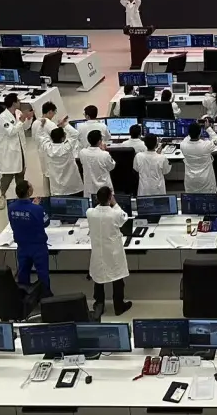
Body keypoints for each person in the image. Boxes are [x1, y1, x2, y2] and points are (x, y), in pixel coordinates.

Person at [86, 186, 132, 317]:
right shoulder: (115, 213)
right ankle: (119, 306)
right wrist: (115, 203)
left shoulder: (90, 213)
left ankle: (99, 304)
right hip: (113, 252)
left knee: (98, 279)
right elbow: (124, 217)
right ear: (110, 198)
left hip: (98, 252)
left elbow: (97, 211)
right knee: (117, 279)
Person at [8, 180, 51, 295]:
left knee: (23, 272)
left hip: (22, 246)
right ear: (29, 192)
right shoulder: (37, 209)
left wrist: (33, 206)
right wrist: (36, 207)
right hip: (38, 247)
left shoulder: (11, 207)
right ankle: (45, 295)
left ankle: (24, 295)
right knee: (42, 273)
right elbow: (46, 222)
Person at [0, 94, 33, 210]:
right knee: (7, 176)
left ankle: (21, 197)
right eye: (18, 100)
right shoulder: (3, 117)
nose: (20, 102)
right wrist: (21, 121)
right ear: (13, 103)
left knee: (20, 174)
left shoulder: (18, 112)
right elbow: (11, 132)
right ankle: (2, 196)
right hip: (9, 151)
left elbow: (25, 127)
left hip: (20, 149)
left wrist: (28, 118)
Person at [45, 127, 84, 197]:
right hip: (72, 186)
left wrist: (42, 125)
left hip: (57, 188)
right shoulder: (67, 147)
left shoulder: (47, 148)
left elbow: (42, 137)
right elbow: (75, 133)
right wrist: (65, 125)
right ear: (63, 138)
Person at [181, 121, 217, 193]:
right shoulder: (206, 145)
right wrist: (208, 128)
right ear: (200, 133)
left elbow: (187, 138)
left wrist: (193, 128)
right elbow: (216, 140)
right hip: (205, 179)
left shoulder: (183, 145)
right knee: (208, 197)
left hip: (191, 179)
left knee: (191, 198)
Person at [80, 130, 115, 197]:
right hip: (104, 188)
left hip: (89, 188)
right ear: (99, 141)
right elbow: (111, 166)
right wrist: (103, 150)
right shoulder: (105, 154)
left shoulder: (82, 152)